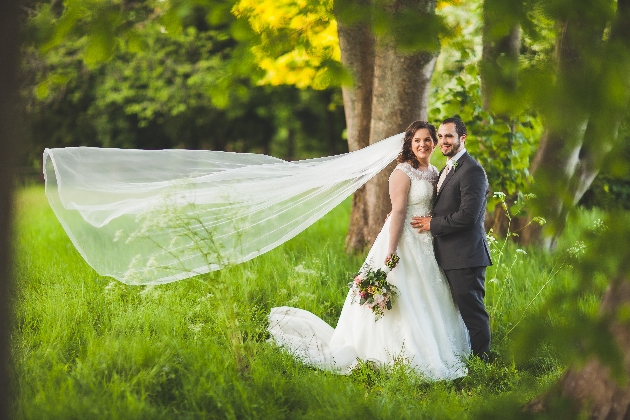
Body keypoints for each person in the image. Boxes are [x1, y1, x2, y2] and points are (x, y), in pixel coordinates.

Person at [268, 121, 471, 379]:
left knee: (433, 294)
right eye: (417, 140)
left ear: (434, 142)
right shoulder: (402, 172)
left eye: (428, 140)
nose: (423, 144)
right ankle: (396, 354)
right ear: (410, 144)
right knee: (404, 295)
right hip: (403, 240)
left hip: (427, 242)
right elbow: (398, 211)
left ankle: (440, 347)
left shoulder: (434, 171)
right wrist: (392, 249)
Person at [411, 117, 492, 360]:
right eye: (441, 136)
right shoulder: (448, 168)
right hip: (449, 254)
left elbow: (467, 216)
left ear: (462, 138)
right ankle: (464, 355)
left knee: (472, 312)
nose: (443, 141)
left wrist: (432, 224)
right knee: (455, 312)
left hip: (465, 256)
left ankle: (483, 362)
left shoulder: (472, 171)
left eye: (449, 136)